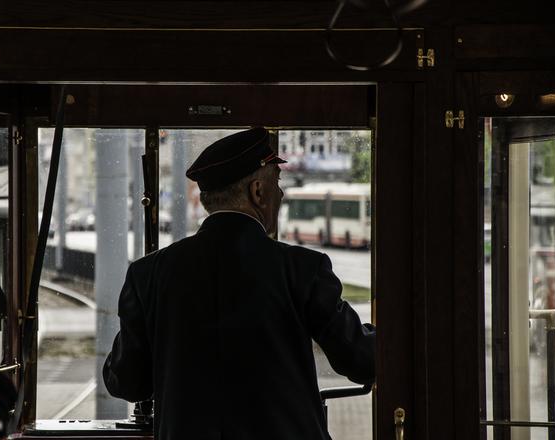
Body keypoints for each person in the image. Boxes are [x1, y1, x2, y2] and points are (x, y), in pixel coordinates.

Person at [103, 127, 376, 440]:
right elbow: (361, 359)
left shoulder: (147, 274)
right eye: (278, 182)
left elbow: (126, 381)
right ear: (258, 192)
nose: (282, 194)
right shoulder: (302, 269)